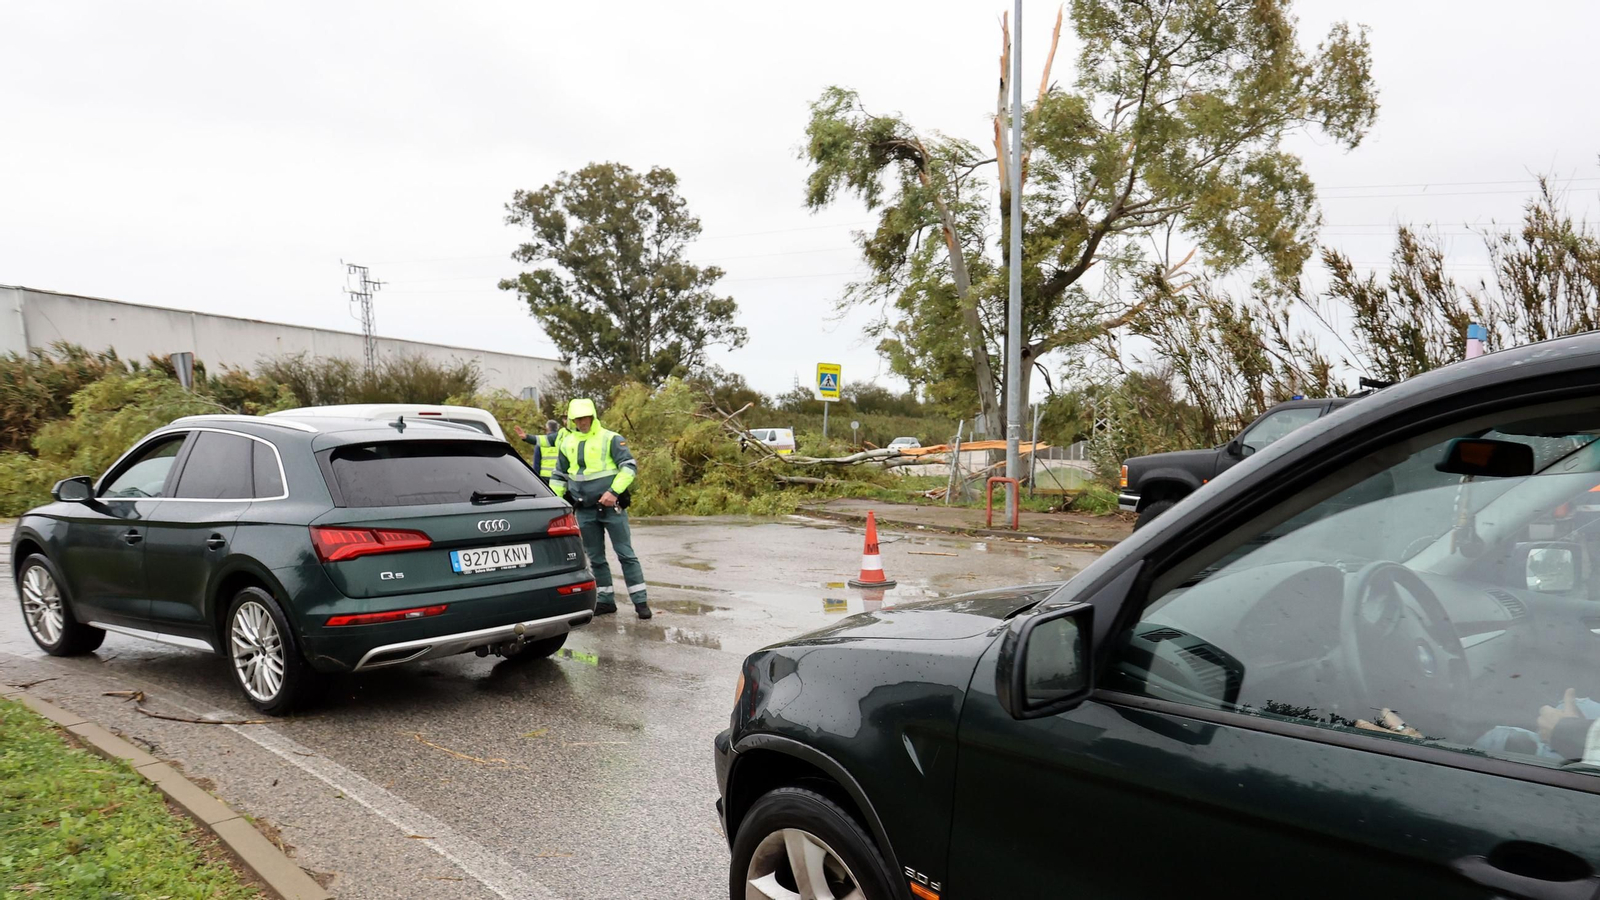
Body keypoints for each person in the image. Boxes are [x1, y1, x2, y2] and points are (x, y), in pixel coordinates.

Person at [549, 398, 651, 619]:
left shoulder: (611, 438)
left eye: (585, 417)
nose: (582, 422)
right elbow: (559, 476)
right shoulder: (567, 443)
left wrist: (613, 492)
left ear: (592, 416)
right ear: (572, 420)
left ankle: (640, 602)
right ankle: (606, 601)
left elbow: (629, 467)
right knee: (595, 558)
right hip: (584, 509)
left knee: (626, 554)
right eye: (577, 419)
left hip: (611, 507)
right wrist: (555, 504)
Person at [515, 419, 564, 486]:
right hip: (559, 477)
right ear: (557, 428)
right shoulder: (562, 442)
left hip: (544, 478)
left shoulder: (541, 442)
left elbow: (536, 464)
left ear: (547, 428)